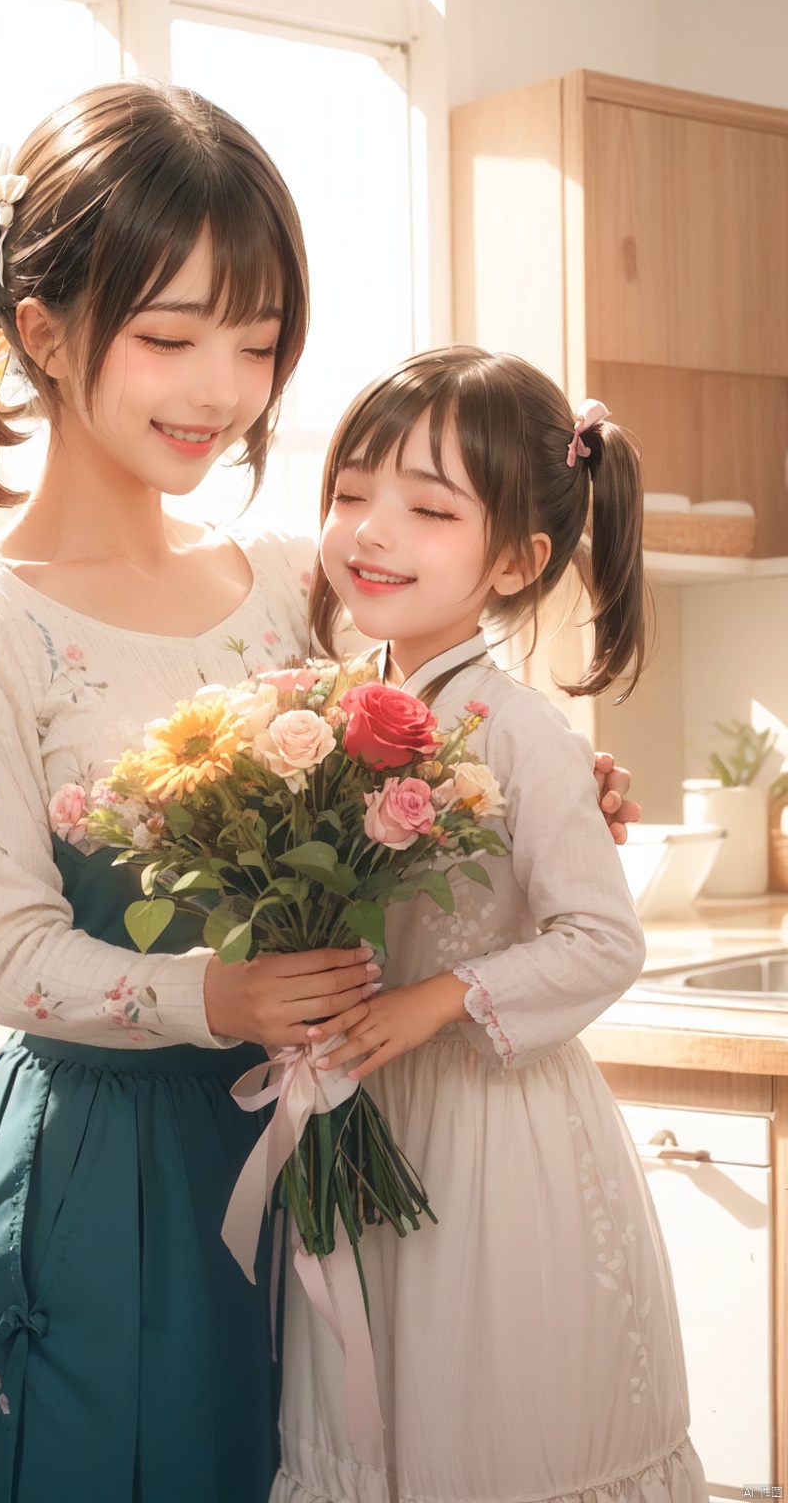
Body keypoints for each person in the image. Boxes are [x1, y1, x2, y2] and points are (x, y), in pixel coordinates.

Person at [0, 83, 638, 1501]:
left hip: (317, 1142)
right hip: (106, 1169)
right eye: (171, 336)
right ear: (43, 330)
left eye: (258, 337)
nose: (224, 388)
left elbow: (421, 733)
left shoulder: (290, 573)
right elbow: (7, 959)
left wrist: (527, 792)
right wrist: (218, 1002)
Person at [271, 348, 706, 1503]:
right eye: (352, 490)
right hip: (359, 1118)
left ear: (515, 558)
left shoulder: (522, 732)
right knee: (373, 1434)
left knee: (488, 1433)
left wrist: (434, 1003)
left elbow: (603, 941)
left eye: (426, 507)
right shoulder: (313, 713)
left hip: (489, 1132)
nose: (371, 530)